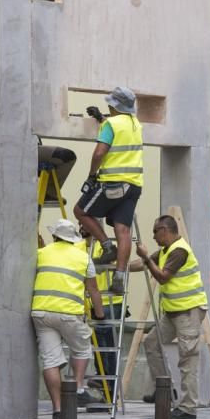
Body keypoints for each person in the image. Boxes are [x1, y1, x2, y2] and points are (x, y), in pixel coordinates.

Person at [130, 215, 208, 419]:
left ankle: (188, 408)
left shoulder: (179, 250)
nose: (154, 236)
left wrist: (146, 258)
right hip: (174, 312)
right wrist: (121, 266)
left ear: (165, 229)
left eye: (156, 231)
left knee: (187, 358)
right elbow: (143, 265)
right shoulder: (166, 251)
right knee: (151, 342)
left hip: (188, 311)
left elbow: (163, 276)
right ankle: (162, 388)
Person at [31, 219, 105, 419]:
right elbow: (93, 290)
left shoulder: (41, 253)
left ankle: (57, 409)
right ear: (73, 239)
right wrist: (99, 314)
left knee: (50, 361)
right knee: (81, 348)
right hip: (69, 314)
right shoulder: (83, 258)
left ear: (54, 236)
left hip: (41, 313)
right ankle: (78, 388)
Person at [74, 86, 143, 296]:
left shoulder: (111, 124)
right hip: (134, 186)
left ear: (115, 106)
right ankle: (120, 277)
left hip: (111, 184)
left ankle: (107, 246)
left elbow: (99, 153)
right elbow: (120, 129)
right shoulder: (135, 124)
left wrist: (92, 174)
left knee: (80, 211)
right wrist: (102, 118)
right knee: (123, 231)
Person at [75, 227, 123, 394]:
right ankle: (105, 389)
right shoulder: (79, 246)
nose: (81, 227)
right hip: (90, 304)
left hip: (109, 301)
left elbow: (111, 263)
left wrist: (92, 262)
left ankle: (108, 388)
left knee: (105, 346)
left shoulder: (105, 246)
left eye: (84, 225)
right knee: (97, 347)